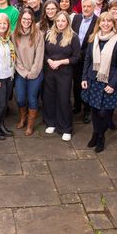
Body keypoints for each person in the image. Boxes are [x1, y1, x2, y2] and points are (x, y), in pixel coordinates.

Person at [81, 12, 117, 153]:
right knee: (94, 110)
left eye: (109, 21)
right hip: (93, 80)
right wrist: (84, 78)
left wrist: (112, 84)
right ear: (99, 23)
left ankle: (101, 136)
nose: (105, 24)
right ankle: (95, 133)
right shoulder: (93, 38)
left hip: (108, 81)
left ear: (113, 23)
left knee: (104, 113)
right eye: (103, 21)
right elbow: (87, 59)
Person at [43, 11, 80, 141]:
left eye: (63, 21)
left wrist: (60, 62)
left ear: (67, 22)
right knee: (49, 98)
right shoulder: (49, 34)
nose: (60, 23)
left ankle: (66, 128)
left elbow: (76, 57)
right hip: (50, 72)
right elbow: (44, 53)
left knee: (63, 99)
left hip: (64, 73)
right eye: (58, 21)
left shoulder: (73, 37)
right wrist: (49, 61)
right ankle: (51, 123)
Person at [12, 8, 44, 135]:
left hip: (35, 72)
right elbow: (15, 56)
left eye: (29, 19)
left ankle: (30, 125)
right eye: (24, 19)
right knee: (20, 98)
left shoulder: (38, 35)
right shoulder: (14, 34)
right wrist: (23, 72)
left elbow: (39, 55)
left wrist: (33, 72)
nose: (26, 21)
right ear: (20, 19)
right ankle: (23, 118)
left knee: (32, 98)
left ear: (32, 21)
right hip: (21, 72)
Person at [71, 0, 98, 123]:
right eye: (84, 6)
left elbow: (95, 42)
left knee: (87, 84)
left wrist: (81, 54)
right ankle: (77, 106)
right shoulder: (76, 18)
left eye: (89, 6)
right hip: (75, 58)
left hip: (88, 58)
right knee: (76, 84)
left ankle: (87, 110)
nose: (86, 8)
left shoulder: (97, 21)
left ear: (94, 7)